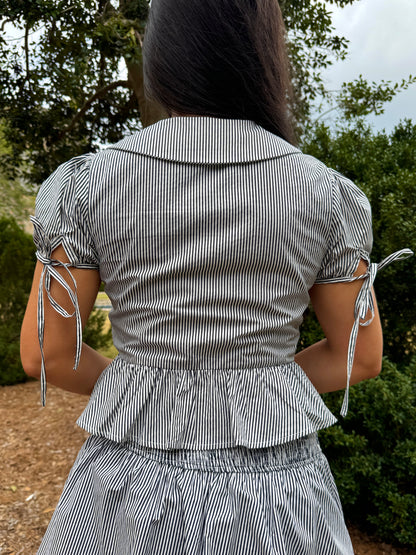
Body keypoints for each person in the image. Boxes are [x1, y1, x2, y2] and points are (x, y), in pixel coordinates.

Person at [20, 0, 412, 553]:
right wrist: (258, 392)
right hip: (279, 498)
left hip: (128, 488)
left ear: (162, 60)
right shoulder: (326, 196)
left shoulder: (88, 186)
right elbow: (361, 357)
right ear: (265, 57)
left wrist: (148, 392)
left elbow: (46, 355)